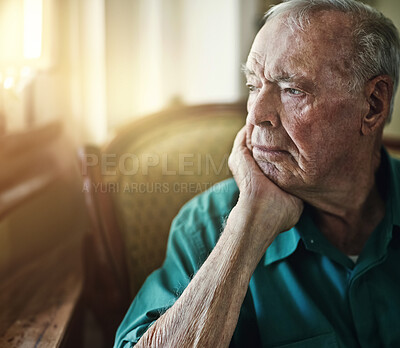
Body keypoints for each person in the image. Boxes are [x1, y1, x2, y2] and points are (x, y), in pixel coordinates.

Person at [114, 0, 400, 347]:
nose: (256, 114)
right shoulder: (207, 223)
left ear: (373, 105)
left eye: (293, 89)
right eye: (253, 86)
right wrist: (246, 230)